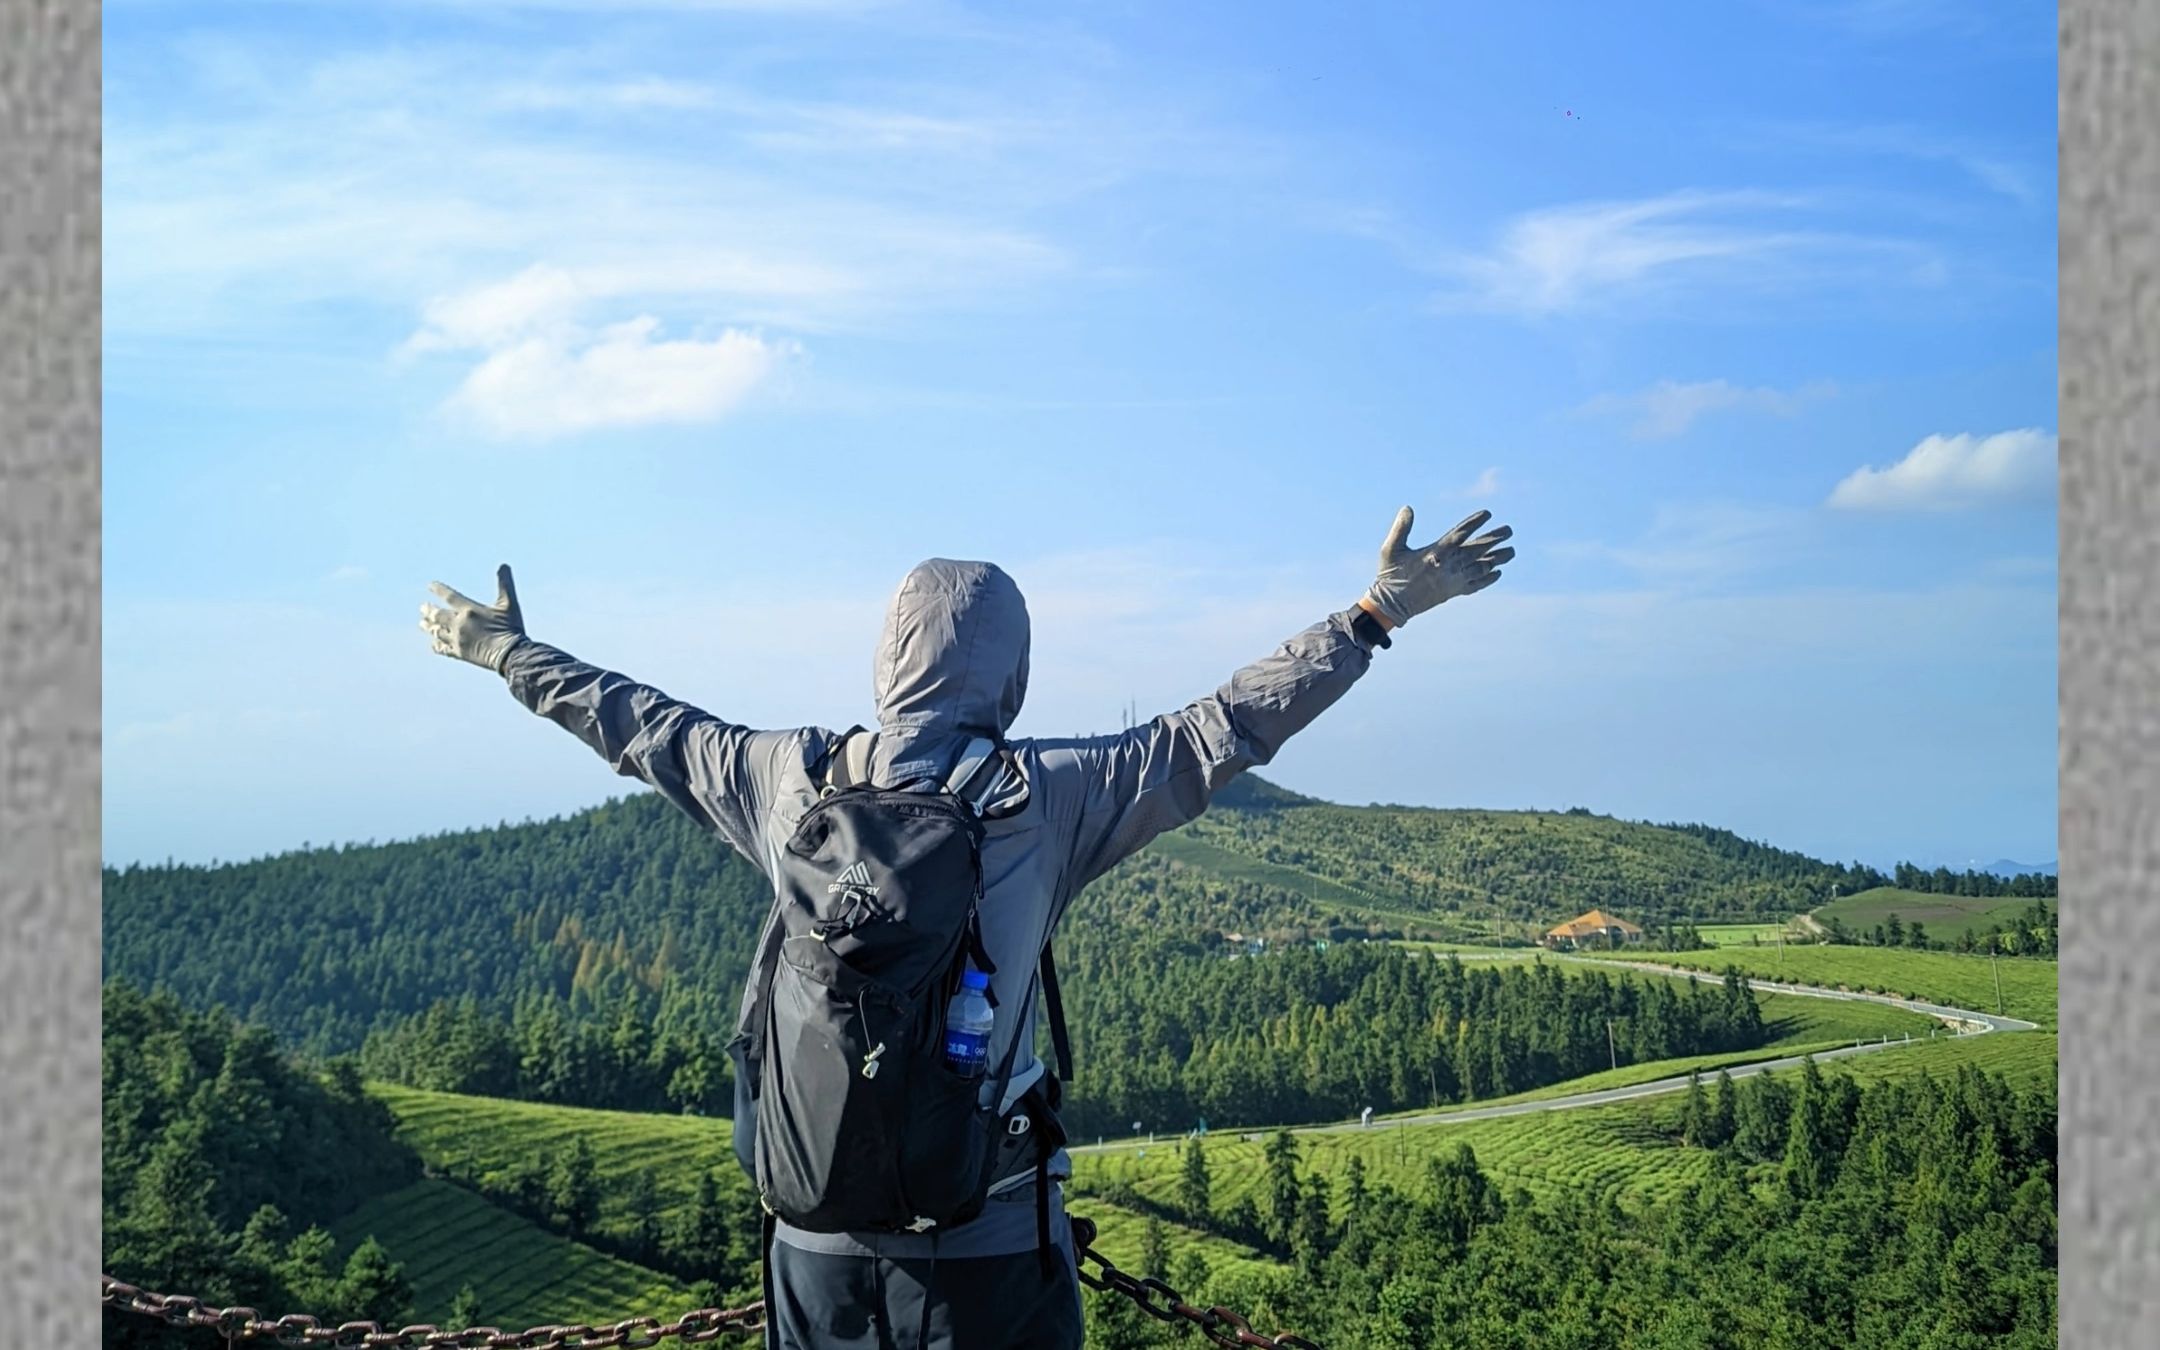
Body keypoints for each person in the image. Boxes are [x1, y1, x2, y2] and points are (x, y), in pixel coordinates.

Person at [418, 504, 1513, 1350]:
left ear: (886, 655)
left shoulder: (785, 779)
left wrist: (508, 652)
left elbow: (640, 726)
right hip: (989, 1234)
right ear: (1015, 672)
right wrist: (1375, 615)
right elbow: (1224, 728)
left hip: (812, 1243)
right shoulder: (1054, 793)